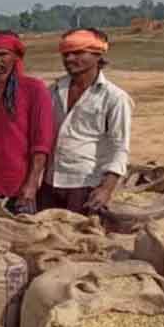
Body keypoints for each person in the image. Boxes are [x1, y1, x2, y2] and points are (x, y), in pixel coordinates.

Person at [41, 28, 133, 213]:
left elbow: (119, 147)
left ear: (98, 55)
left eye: (77, 53)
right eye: (66, 54)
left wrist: (106, 189)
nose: (69, 59)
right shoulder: (53, 91)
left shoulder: (115, 98)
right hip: (50, 182)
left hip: (86, 185)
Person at [0, 30, 54, 214]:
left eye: (2, 54)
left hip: (15, 187)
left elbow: (41, 144)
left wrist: (31, 184)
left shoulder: (34, 90)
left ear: (16, 57)